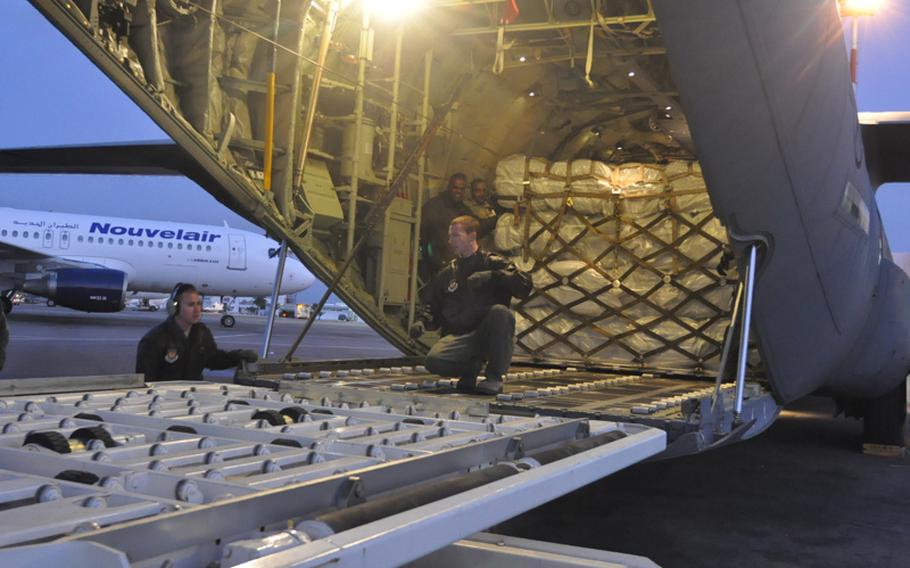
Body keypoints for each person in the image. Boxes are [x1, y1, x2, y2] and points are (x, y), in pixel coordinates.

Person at [410, 215, 532, 394]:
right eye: (450, 236)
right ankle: (471, 368)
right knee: (434, 361)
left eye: (456, 236)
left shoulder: (493, 262)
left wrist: (493, 275)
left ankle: (494, 378)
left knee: (501, 313)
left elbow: (524, 286)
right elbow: (433, 303)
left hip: (487, 335)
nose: (451, 241)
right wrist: (422, 320)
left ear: (472, 235)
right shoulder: (448, 273)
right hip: (462, 337)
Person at [136, 283, 258, 381]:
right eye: (191, 305)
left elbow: (214, 359)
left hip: (194, 396)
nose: (197, 310)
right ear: (175, 307)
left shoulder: (201, 333)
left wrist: (238, 356)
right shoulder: (154, 339)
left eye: (199, 304)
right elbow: (145, 381)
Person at [420, 173, 472, 274]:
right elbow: (422, 230)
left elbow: (477, 226)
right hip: (433, 263)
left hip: (455, 265)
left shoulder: (465, 210)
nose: (458, 191)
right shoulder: (434, 205)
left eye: (462, 189)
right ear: (449, 187)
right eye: (455, 188)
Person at [465, 178, 498, 248]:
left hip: (490, 248)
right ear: (471, 192)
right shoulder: (467, 208)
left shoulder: (489, 206)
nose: (482, 194)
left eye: (484, 190)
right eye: (478, 190)